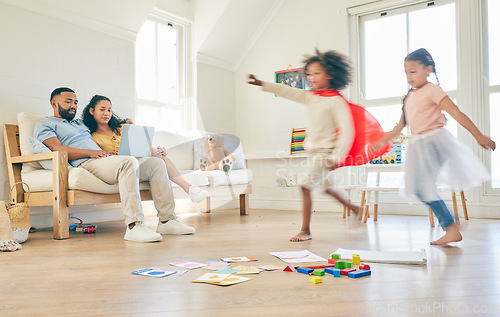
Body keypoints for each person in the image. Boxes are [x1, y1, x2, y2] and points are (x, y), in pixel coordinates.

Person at [34, 87, 196, 243]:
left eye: (76, 102)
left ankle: (167, 221)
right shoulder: (45, 124)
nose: (73, 106)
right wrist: (89, 152)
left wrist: (124, 123)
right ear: (53, 103)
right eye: (68, 102)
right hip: (85, 162)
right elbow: (56, 148)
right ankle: (134, 226)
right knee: (128, 162)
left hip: (103, 160)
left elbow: (102, 121)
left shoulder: (79, 123)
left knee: (156, 163)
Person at [371, 48, 496, 245]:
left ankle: (450, 226)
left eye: (413, 71)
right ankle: (450, 225)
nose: (408, 76)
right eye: (405, 72)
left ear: (428, 69)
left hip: (434, 143)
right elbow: (400, 126)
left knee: (422, 188)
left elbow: (456, 113)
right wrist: (379, 142)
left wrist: (478, 135)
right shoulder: (409, 97)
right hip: (418, 146)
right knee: (419, 189)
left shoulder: (433, 90)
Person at [248, 49, 363, 242]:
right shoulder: (311, 97)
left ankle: (306, 230)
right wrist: (262, 84)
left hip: (325, 154)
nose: (312, 77)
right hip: (313, 152)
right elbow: (287, 91)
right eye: (309, 74)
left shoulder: (336, 101)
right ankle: (356, 208)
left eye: (317, 73)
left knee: (305, 186)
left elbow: (348, 131)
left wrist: (337, 156)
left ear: (330, 74)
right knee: (326, 188)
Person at [81, 94, 210, 204]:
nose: (106, 113)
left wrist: (157, 151)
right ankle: (189, 190)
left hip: (139, 159)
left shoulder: (122, 128)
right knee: (158, 163)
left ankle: (187, 192)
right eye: (102, 109)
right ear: (92, 111)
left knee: (159, 157)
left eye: (109, 110)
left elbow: (140, 145)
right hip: (123, 166)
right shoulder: (92, 137)